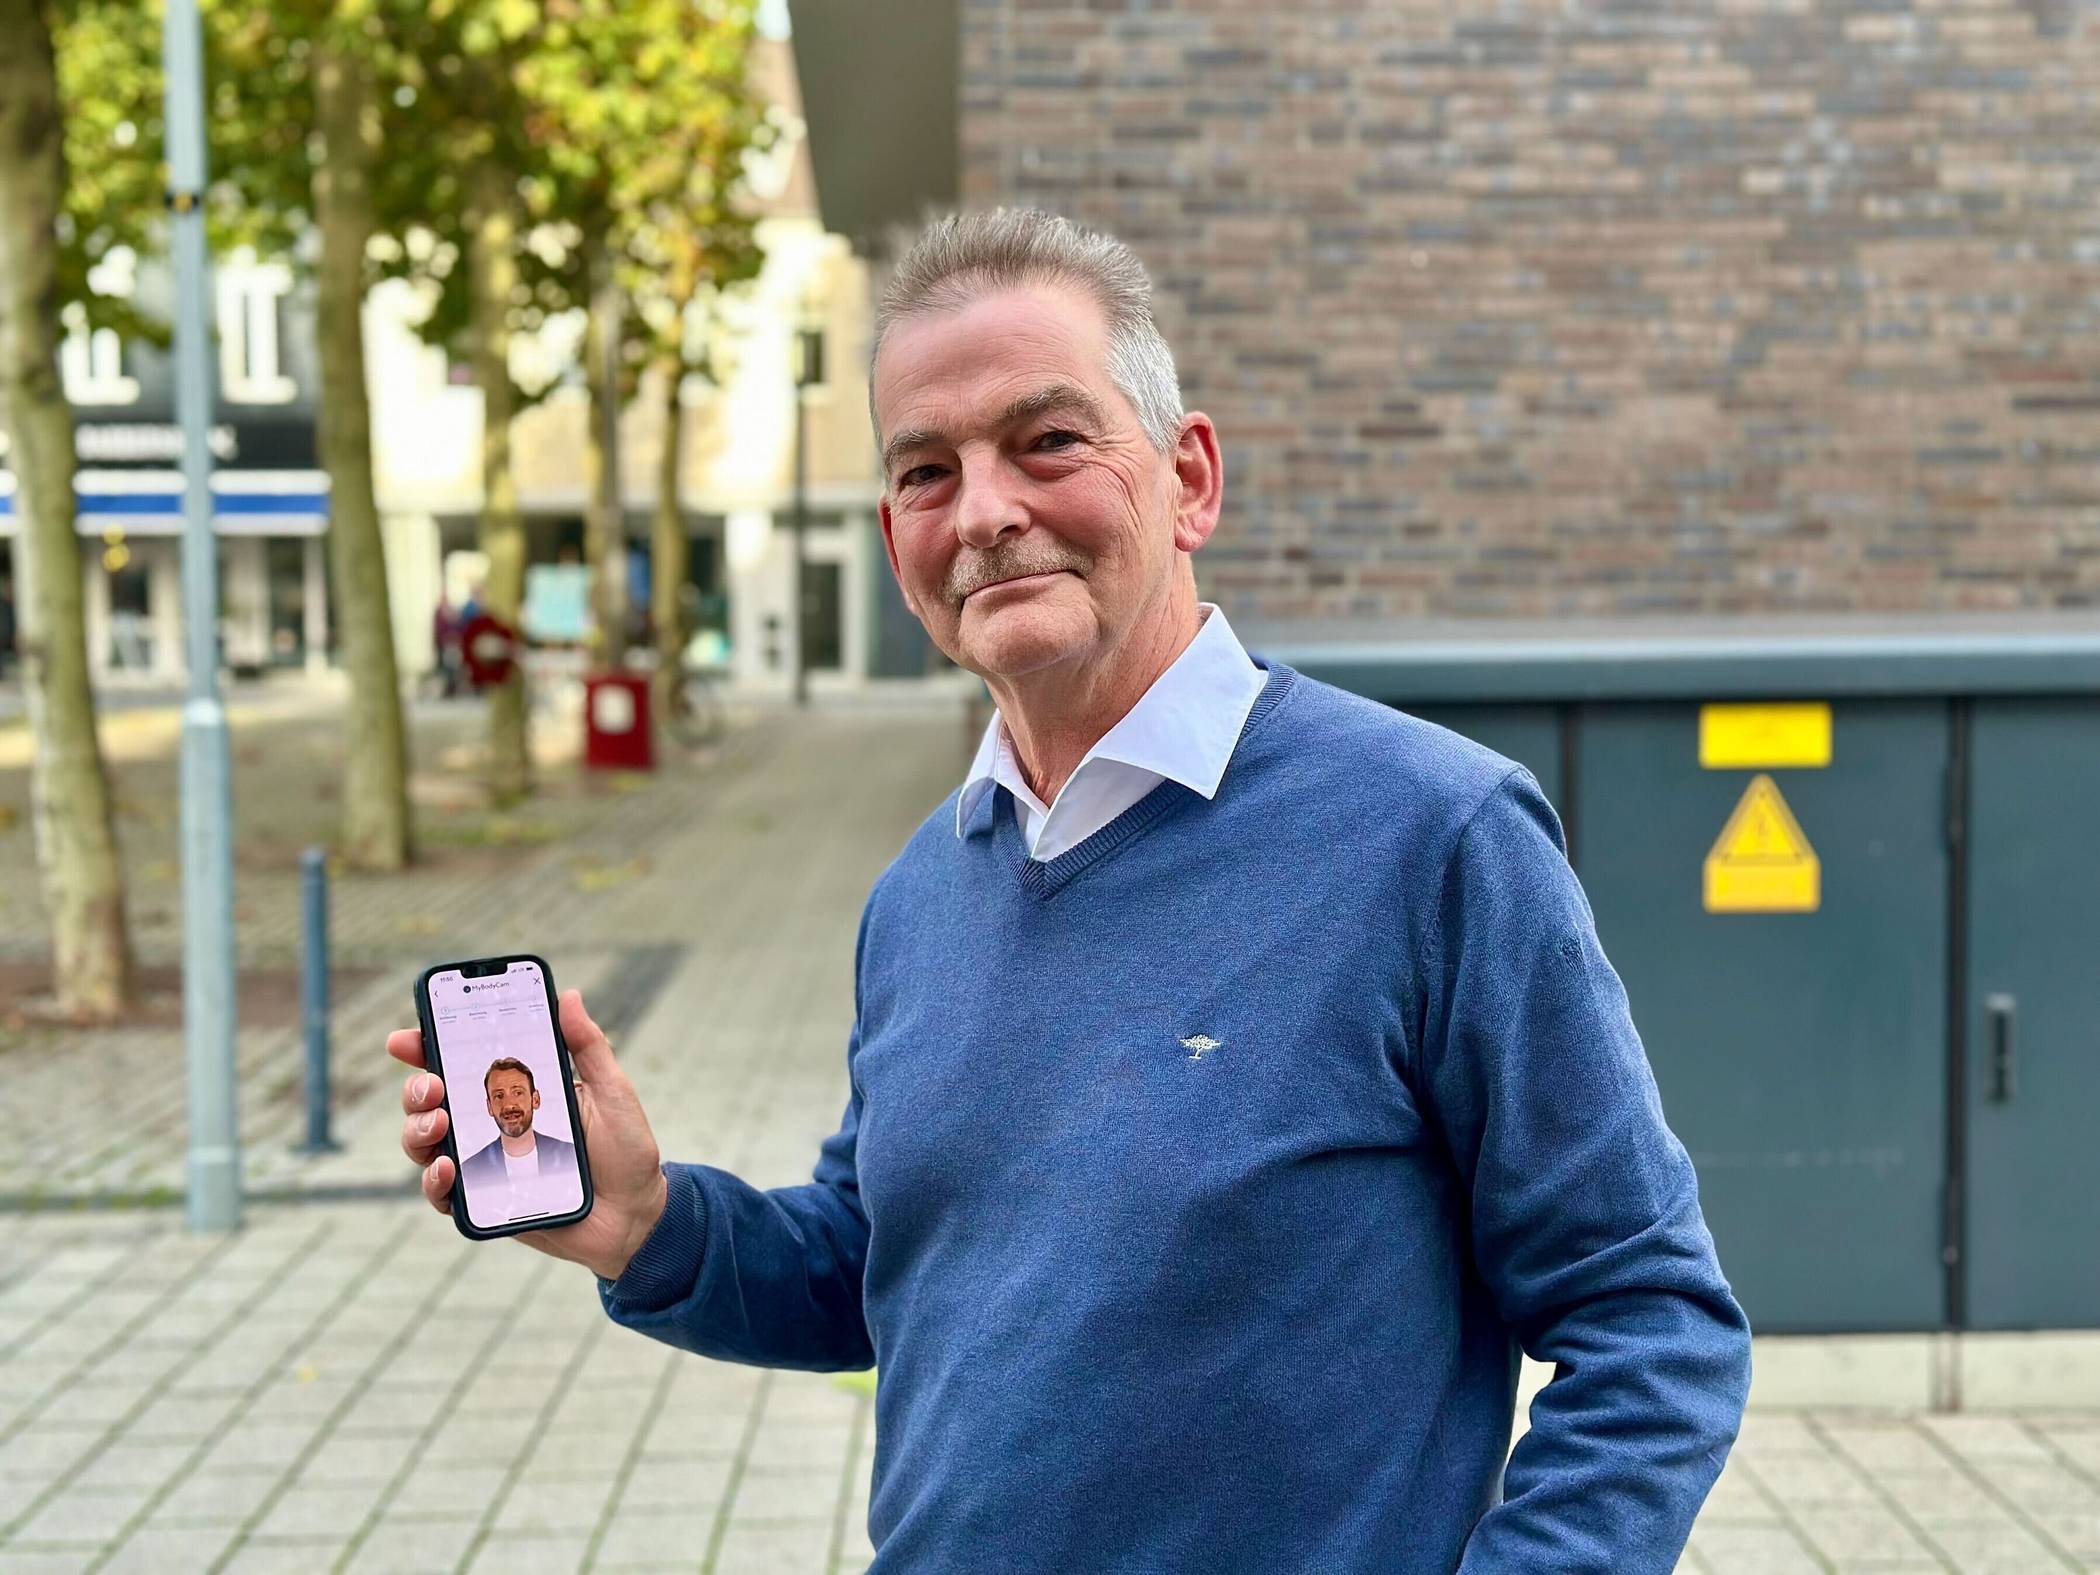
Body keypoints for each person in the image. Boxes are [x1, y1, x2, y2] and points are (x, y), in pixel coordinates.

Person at [391, 208, 1751, 1571]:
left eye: (1047, 440)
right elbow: (883, 1259)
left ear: (1188, 477)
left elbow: (1649, 1320)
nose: (986, 511)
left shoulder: (1433, 837)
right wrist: (647, 1224)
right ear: (897, 543)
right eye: (928, 471)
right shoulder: (922, 889)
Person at [456, 1057, 579, 1222]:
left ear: (535, 1099)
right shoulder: (471, 1171)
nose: (509, 1105)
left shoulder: (570, 1155)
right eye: (499, 1096)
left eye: (517, 1093)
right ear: (489, 1107)